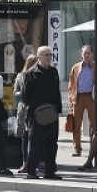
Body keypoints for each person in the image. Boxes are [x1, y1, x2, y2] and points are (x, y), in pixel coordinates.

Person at [23, 46, 63, 180]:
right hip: (36, 114)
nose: (49, 57)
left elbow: (57, 92)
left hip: (52, 113)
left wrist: (58, 110)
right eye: (46, 55)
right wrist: (31, 110)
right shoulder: (31, 73)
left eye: (50, 55)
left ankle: (50, 171)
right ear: (39, 57)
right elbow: (25, 95)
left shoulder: (53, 71)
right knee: (35, 143)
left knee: (52, 143)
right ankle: (31, 171)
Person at [66, 45, 97, 157]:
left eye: (88, 53)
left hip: (91, 97)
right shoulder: (76, 67)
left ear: (92, 54)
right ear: (81, 54)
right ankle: (77, 148)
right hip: (78, 97)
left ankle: (93, 148)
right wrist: (71, 98)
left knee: (94, 124)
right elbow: (71, 84)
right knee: (76, 124)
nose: (86, 55)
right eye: (85, 53)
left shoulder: (95, 67)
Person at [13, 54, 37, 173]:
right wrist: (23, 93)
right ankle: (25, 162)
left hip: (36, 108)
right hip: (24, 108)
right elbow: (15, 92)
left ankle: (37, 162)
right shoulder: (21, 76)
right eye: (34, 63)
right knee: (25, 137)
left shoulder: (38, 75)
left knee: (36, 136)